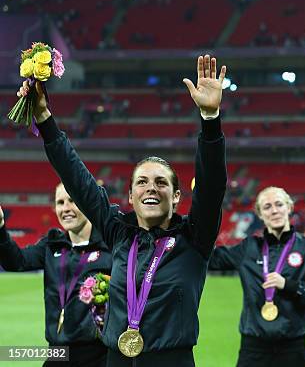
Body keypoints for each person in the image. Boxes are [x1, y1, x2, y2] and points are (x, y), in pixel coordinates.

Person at [17, 54, 228, 366]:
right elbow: (79, 181)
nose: (151, 188)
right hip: (116, 359)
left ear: (177, 196)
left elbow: (211, 189)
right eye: (142, 182)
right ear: (130, 195)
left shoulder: (194, 238)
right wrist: (46, 121)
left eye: (161, 183)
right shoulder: (119, 233)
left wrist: (210, 121)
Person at [208, 186, 305, 367]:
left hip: (293, 348)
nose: (274, 210)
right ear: (260, 214)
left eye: (279, 204)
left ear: (289, 208)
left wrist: (289, 285)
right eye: (267, 207)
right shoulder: (249, 247)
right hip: (253, 349)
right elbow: (209, 259)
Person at [0, 184, 112, 367]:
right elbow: (16, 262)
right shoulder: (52, 245)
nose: (66, 208)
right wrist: (0, 227)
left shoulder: (110, 247)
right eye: (60, 203)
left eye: (72, 201)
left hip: (98, 356)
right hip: (58, 354)